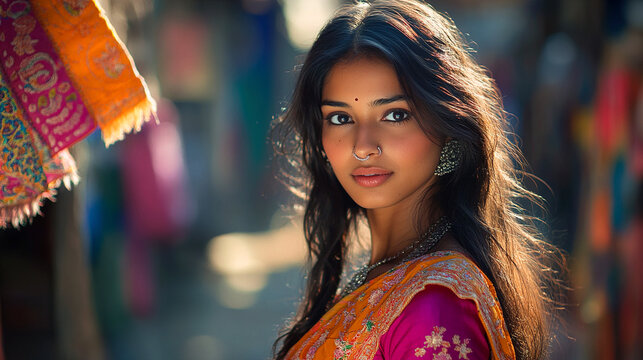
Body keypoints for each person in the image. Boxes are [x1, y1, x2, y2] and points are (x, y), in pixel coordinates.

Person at [272, 1, 561, 359]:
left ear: (449, 130)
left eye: (395, 114)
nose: (363, 147)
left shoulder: (435, 308)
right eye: (340, 118)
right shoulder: (387, 273)